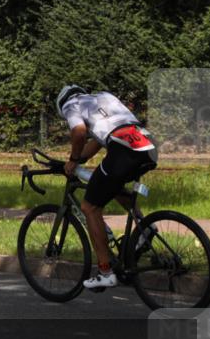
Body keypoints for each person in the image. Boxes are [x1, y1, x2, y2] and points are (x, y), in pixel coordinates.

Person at [56, 85, 158, 290]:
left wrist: (73, 159)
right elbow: (97, 141)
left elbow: (79, 132)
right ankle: (145, 228)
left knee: (89, 208)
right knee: (113, 185)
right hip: (147, 145)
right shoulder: (103, 97)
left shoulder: (70, 105)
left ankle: (105, 272)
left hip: (124, 151)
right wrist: (80, 160)